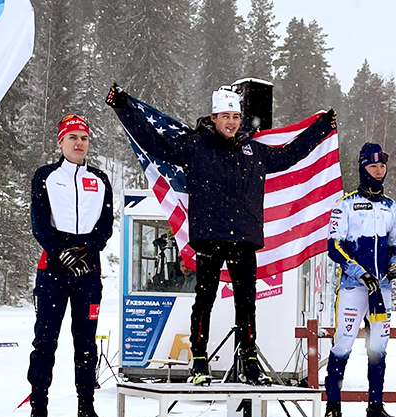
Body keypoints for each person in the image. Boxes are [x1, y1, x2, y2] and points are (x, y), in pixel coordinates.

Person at [106, 84, 336, 386]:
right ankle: (199, 360)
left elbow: (290, 155)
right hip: (209, 238)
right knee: (204, 301)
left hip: (244, 239)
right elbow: (154, 143)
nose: (231, 122)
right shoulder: (194, 145)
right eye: (225, 116)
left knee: (247, 304)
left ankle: (249, 361)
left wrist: (320, 128)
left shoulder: (254, 149)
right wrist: (124, 107)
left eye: (236, 116)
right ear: (213, 117)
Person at [28, 114, 114, 417]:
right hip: (52, 267)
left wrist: (86, 250)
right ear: (60, 142)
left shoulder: (101, 179)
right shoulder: (45, 176)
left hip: (88, 269)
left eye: (84, 138)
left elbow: (105, 227)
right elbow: (39, 222)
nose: (79, 144)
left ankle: (86, 410)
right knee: (45, 341)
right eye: (73, 138)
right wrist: (60, 251)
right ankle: (39, 410)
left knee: (86, 342)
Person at [324, 143, 396, 417]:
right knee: (343, 342)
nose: (378, 171)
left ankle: (375, 406)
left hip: (381, 288)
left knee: (378, 346)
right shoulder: (345, 204)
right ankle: (333, 406)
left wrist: (395, 264)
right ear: (362, 168)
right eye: (373, 166)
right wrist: (358, 272)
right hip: (353, 287)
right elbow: (334, 246)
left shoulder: (392, 207)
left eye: (382, 166)